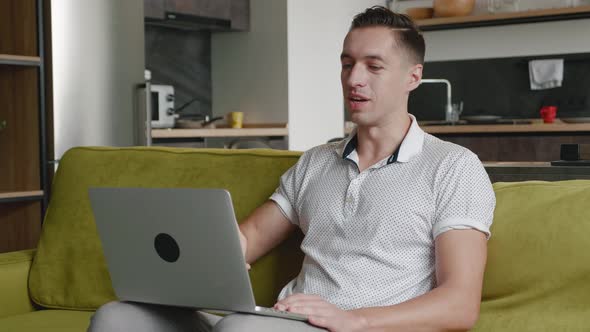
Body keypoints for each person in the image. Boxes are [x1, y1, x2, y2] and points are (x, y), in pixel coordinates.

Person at [88, 6, 495, 332]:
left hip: (359, 327)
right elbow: (247, 238)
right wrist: (193, 261)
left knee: (241, 330)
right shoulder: (317, 162)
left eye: (374, 66)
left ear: (413, 77)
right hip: (283, 321)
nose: (354, 79)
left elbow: (459, 304)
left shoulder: (453, 168)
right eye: (347, 63)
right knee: (117, 318)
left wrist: (355, 321)